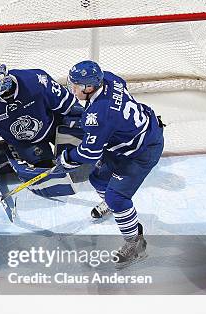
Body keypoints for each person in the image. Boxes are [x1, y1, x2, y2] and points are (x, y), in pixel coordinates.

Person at [52, 60, 165, 268]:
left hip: (141, 151)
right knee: (97, 178)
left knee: (117, 197)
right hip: (129, 139)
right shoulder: (110, 78)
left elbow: (88, 152)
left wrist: (66, 160)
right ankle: (115, 208)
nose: (72, 88)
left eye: (76, 85)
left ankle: (135, 243)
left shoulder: (98, 116)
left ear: (90, 87)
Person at [0, 63, 86, 198]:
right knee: (48, 170)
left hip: (52, 126)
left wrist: (90, 128)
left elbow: (69, 105)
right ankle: (12, 154)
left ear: (4, 86)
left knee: (79, 160)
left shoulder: (35, 80)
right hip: (25, 143)